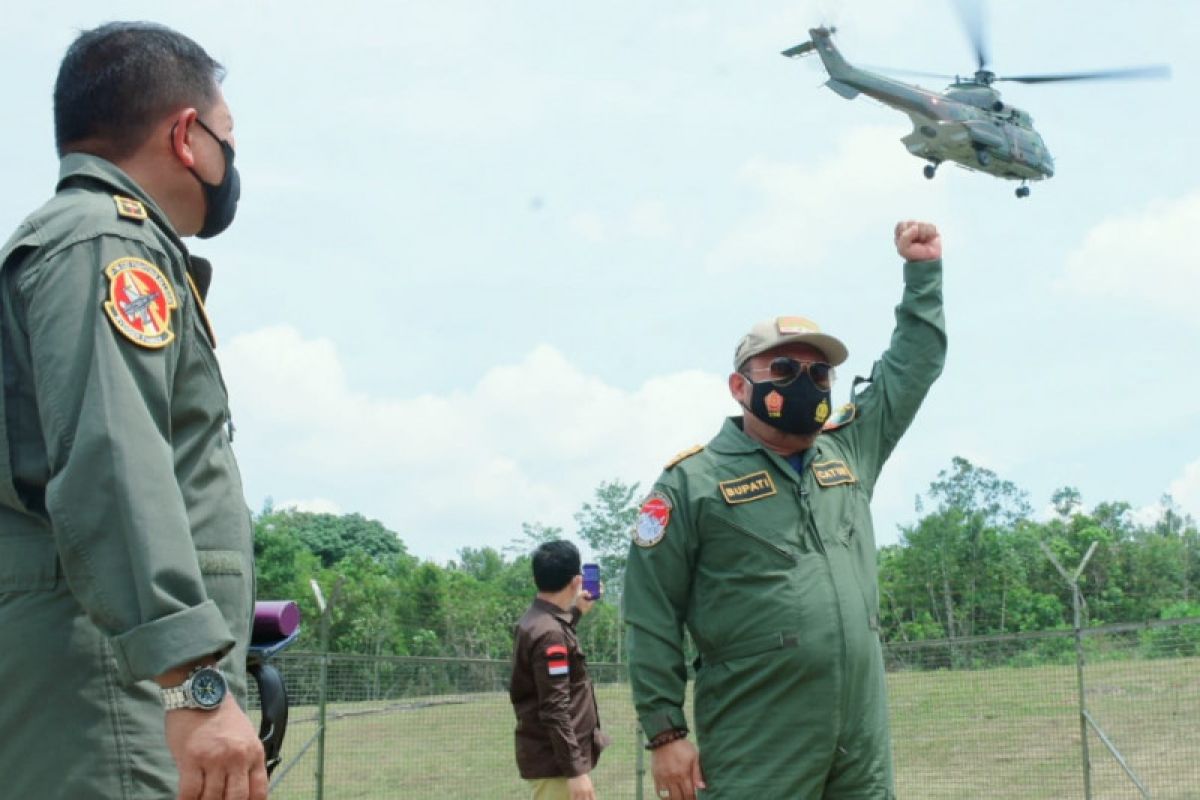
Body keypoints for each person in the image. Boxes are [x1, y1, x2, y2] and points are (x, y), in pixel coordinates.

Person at [0, 22, 265, 800]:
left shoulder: (97, 243)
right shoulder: (103, 245)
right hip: (112, 682)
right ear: (187, 135)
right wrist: (192, 685)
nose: (231, 164)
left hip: (119, 671)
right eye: (228, 139)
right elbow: (113, 468)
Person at [624, 221, 947, 799]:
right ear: (738, 386)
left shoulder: (848, 449)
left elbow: (912, 367)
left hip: (859, 735)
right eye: (784, 370)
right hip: (759, 737)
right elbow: (650, 614)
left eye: (819, 372)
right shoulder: (690, 485)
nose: (806, 382)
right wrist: (665, 732)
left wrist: (922, 273)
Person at [510, 540, 612, 800]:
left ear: (536, 578)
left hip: (552, 761)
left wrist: (576, 612)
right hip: (557, 767)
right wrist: (575, 772)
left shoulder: (536, 621)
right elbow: (555, 709)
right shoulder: (550, 634)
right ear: (577, 580)